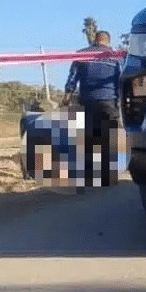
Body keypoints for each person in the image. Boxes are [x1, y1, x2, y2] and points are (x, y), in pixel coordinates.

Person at [61, 30, 123, 187]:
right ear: (108, 41)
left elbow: (72, 78)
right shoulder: (115, 57)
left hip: (88, 101)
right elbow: (120, 80)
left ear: (95, 40)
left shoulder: (82, 54)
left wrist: (66, 98)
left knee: (90, 137)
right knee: (109, 138)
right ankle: (109, 174)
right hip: (109, 101)